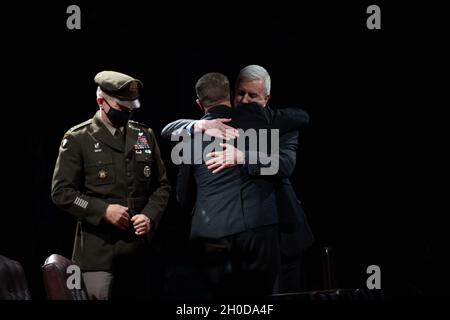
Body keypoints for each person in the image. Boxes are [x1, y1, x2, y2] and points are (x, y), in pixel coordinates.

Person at [163, 65, 314, 294]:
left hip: (278, 231)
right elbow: (167, 129)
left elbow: (286, 163)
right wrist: (199, 124)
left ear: (267, 98)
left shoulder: (273, 122)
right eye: (240, 94)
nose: (245, 100)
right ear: (231, 95)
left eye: (252, 96)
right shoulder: (198, 129)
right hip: (257, 228)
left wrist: (242, 157)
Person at [51, 70, 171, 300]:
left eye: (131, 109)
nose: (127, 113)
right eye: (121, 109)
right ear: (101, 102)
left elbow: (162, 186)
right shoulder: (78, 138)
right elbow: (62, 192)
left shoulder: (144, 135)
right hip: (100, 257)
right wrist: (102, 210)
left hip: (141, 253)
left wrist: (150, 216)